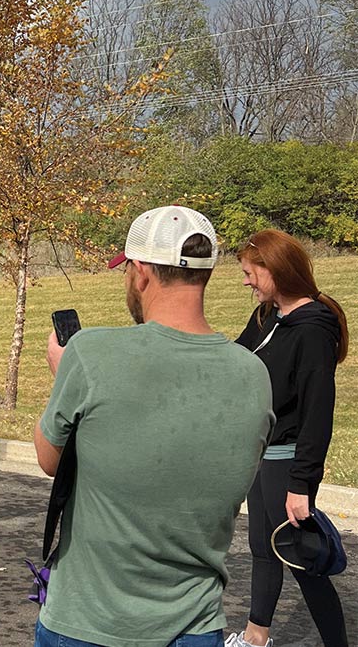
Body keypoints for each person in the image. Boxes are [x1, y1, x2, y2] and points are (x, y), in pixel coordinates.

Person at [33, 205, 275, 647]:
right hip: (196, 626)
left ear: (140, 271)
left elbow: (49, 460)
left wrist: (63, 377)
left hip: (87, 622)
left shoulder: (89, 354)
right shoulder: (254, 374)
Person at [226, 230, 350, 647]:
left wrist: (302, 485)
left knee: (300, 559)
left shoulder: (313, 328)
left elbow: (318, 413)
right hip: (262, 456)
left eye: (250, 273)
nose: (246, 282)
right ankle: (255, 638)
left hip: (288, 460)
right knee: (263, 548)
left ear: (274, 270)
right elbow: (237, 362)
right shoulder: (267, 316)